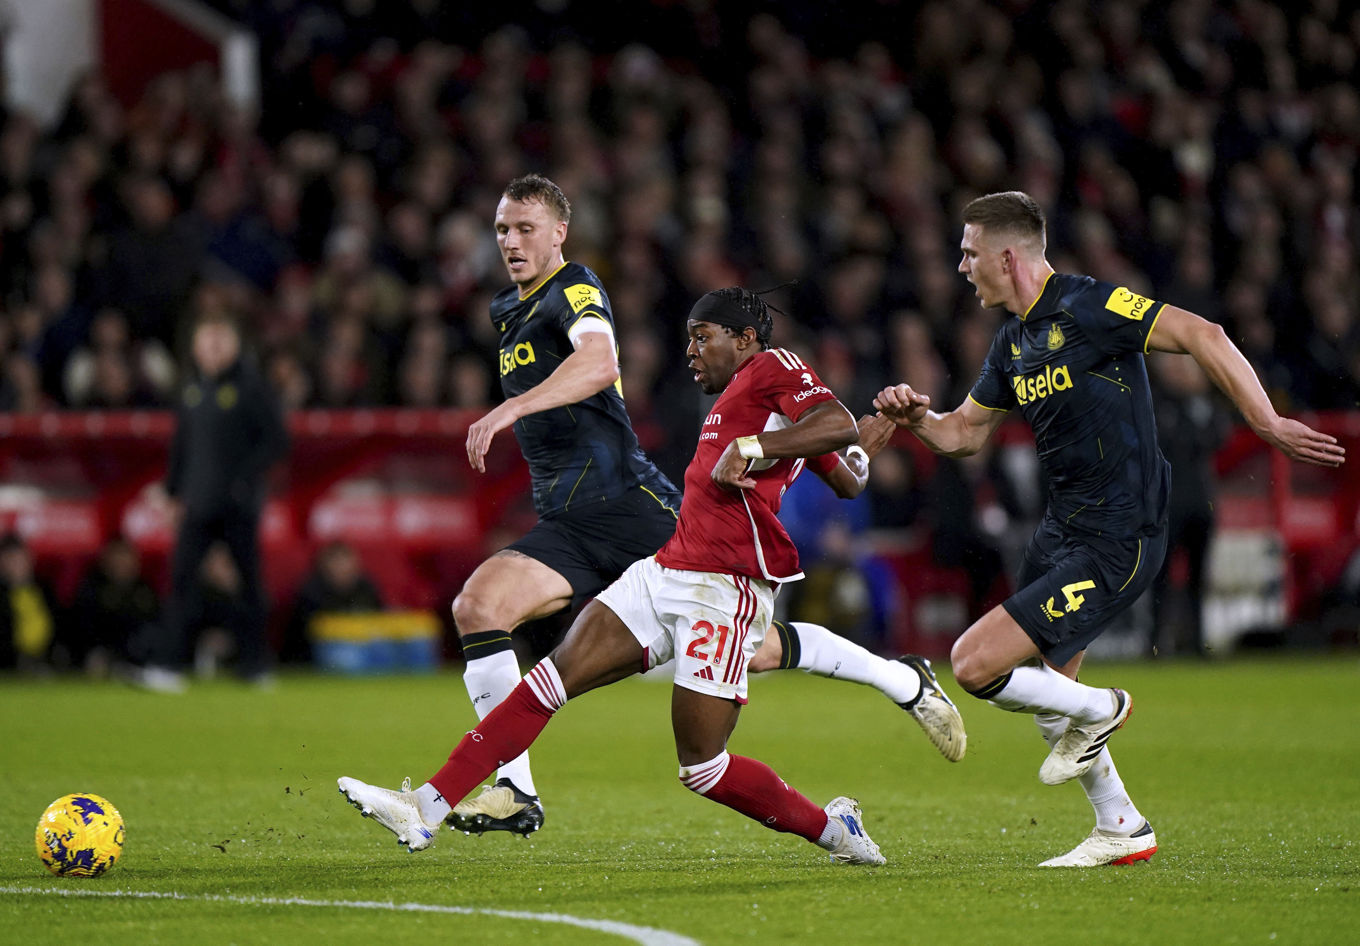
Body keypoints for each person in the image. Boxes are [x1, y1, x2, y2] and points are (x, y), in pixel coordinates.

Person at [339, 286, 961, 864]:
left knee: (702, 768)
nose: (691, 350)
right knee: (546, 684)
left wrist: (758, 448)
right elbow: (849, 469)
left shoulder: (774, 366)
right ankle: (425, 808)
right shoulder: (752, 400)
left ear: (745, 338)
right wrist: (887, 422)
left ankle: (834, 830)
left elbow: (837, 429)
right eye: (689, 338)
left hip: (725, 587)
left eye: (703, 336)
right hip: (665, 570)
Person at [446, 174, 961, 839]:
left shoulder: (579, 290)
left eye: (524, 228)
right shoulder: (725, 395)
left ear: (559, 233)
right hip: (574, 516)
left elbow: (603, 362)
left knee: (744, 670)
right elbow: (848, 467)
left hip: (637, 511)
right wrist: (874, 431)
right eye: (501, 230)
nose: (510, 241)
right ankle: (513, 788)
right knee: (481, 606)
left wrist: (510, 408)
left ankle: (899, 687)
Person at [873, 191, 1346, 868]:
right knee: (1048, 701)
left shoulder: (1090, 305)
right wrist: (917, 417)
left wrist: (1266, 421)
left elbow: (1203, 334)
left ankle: (1106, 707)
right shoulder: (1012, 343)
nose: (961, 266)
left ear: (1007, 257)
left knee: (974, 664)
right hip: (1060, 532)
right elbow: (964, 434)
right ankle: (1121, 825)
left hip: (1121, 535)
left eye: (970, 253)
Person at [137, 310, 289, 692]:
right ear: (195, 347)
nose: (214, 349)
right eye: (207, 341)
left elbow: (276, 441)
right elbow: (182, 448)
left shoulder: (252, 387)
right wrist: (172, 492)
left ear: (235, 345)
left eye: (221, 341)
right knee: (181, 583)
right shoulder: (192, 390)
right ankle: (168, 666)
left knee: (248, 584)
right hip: (198, 504)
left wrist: (242, 480)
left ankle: (256, 665)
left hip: (238, 506)